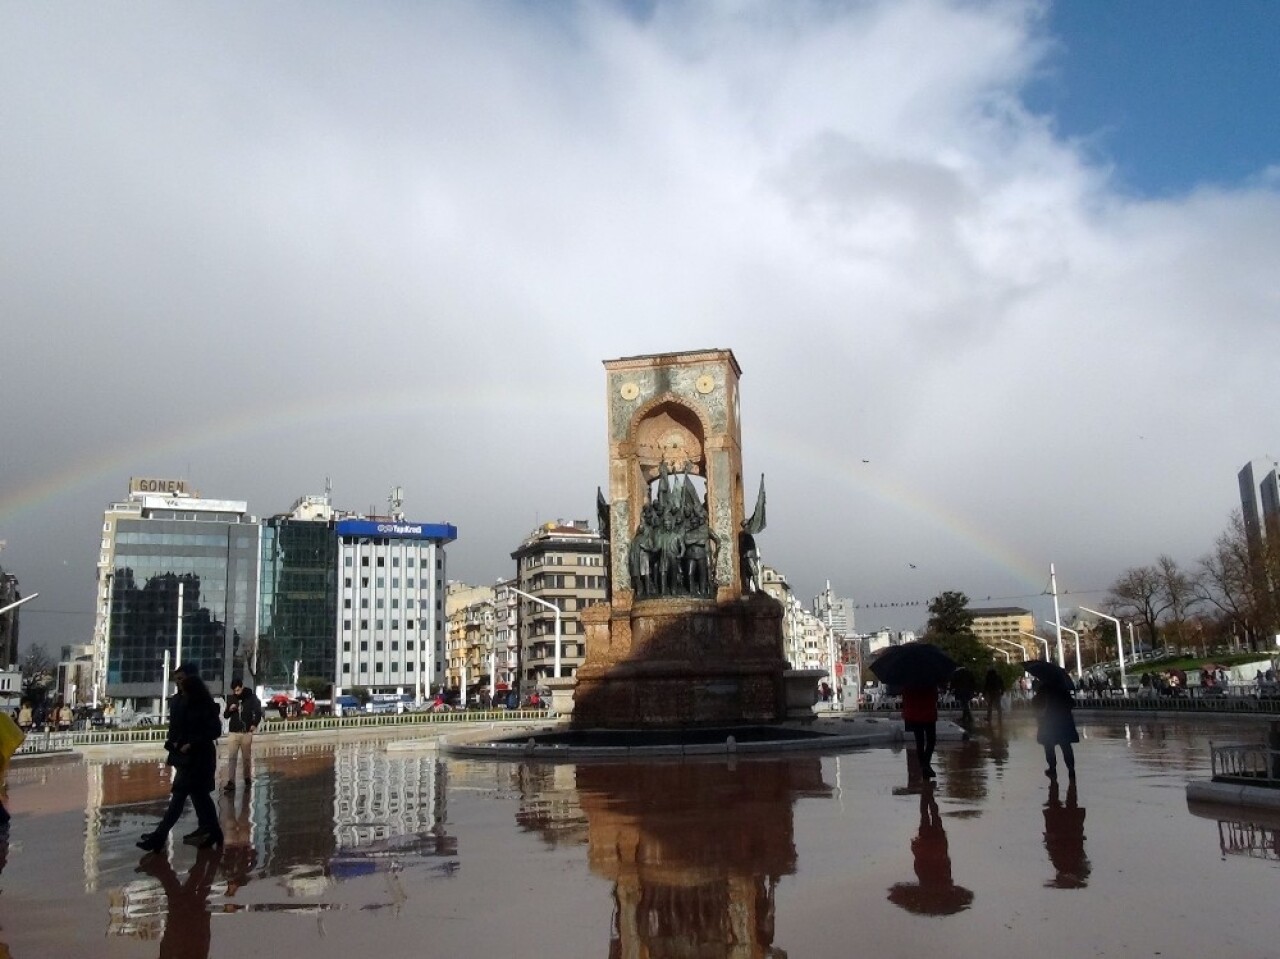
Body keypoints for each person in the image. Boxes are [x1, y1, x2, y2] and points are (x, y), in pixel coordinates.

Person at [138, 663, 224, 852]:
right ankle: (214, 833)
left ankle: (159, 837)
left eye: (181, 679)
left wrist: (191, 743)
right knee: (200, 797)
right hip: (184, 758)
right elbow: (175, 728)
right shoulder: (177, 701)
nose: (178, 683)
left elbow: (214, 730)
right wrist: (173, 745)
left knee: (179, 798)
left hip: (198, 759)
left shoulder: (203, 702)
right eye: (176, 679)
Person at [221, 677, 261, 794]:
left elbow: (258, 712)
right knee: (232, 757)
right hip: (233, 732)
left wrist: (254, 724)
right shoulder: (231, 698)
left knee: (246, 758)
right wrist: (230, 709)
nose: (236, 693)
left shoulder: (251, 697)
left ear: (242, 687)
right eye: (234, 691)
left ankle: (247, 777)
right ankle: (231, 781)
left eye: (238, 690)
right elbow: (226, 715)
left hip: (246, 733)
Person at [1034, 681, 1079, 781]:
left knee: (1049, 745)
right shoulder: (1062, 688)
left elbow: (1036, 702)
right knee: (1066, 745)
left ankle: (1052, 767)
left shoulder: (1043, 688)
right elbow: (1072, 703)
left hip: (1048, 721)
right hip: (1063, 722)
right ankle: (1071, 769)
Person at [901, 684, 939, 779]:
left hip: (915, 715)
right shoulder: (930, 680)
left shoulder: (909, 682)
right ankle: (926, 764)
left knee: (920, 741)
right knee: (931, 740)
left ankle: (924, 766)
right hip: (928, 713)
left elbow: (905, 697)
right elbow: (935, 697)